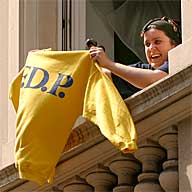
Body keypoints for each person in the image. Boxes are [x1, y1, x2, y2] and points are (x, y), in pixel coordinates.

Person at [89, 16, 181, 97]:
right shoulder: (146, 70)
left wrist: (108, 64)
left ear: (174, 44)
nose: (151, 48)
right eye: (147, 44)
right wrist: (94, 61)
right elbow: (109, 75)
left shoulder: (177, 62)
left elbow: (153, 80)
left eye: (157, 42)